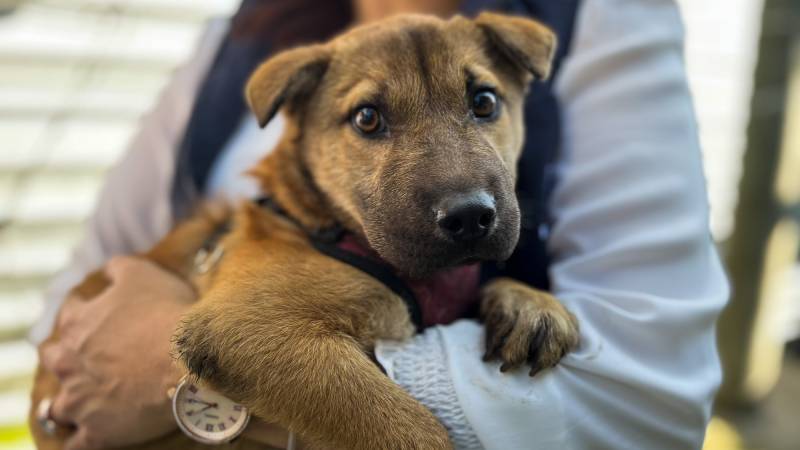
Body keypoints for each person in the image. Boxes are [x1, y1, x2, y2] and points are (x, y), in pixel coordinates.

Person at [32, 0, 729, 449]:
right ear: (299, 129)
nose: (456, 178)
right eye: (372, 120)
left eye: (481, 104)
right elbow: (100, 328)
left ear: (519, 87)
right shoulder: (238, 43)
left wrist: (509, 297)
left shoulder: (596, 18)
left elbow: (651, 396)